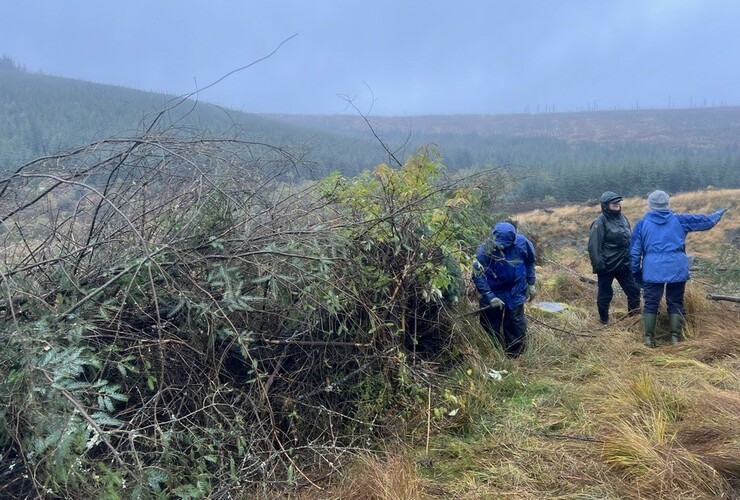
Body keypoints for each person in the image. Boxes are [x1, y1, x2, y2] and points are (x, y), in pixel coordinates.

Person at [630, 190, 727, 348]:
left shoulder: (641, 224)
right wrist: (719, 213)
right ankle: (675, 338)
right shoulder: (680, 220)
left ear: (650, 205)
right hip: (677, 269)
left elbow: (634, 252)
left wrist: (636, 272)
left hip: (653, 270)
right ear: (667, 204)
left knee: (651, 304)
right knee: (675, 303)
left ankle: (649, 339)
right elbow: (707, 221)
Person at [472, 221, 536, 357]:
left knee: (515, 323)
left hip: (516, 289)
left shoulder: (522, 242)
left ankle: (515, 356)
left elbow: (530, 262)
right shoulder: (484, 250)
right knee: (490, 325)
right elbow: (478, 275)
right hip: (494, 290)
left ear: (513, 239)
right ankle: (492, 354)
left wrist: (531, 284)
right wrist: (490, 296)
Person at [587, 191, 641, 325]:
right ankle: (604, 321)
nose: (617, 204)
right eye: (613, 203)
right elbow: (594, 246)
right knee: (605, 295)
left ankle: (633, 320)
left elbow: (630, 241)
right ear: (605, 205)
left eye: (618, 202)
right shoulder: (599, 222)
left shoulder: (624, 219)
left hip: (624, 264)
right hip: (607, 266)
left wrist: (633, 260)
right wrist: (600, 266)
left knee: (634, 291)